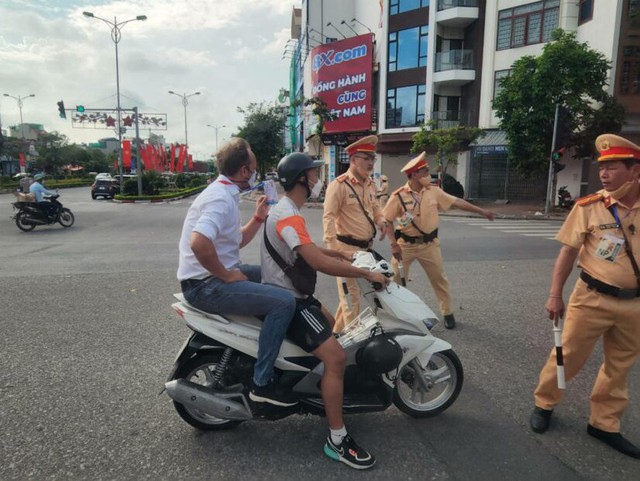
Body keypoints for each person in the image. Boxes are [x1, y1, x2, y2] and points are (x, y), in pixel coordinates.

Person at [261, 152, 389, 469]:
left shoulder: (287, 211)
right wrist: (365, 274)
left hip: (295, 296)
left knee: (335, 328)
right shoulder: (287, 214)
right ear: (301, 179)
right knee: (336, 357)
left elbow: (307, 248)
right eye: (314, 174)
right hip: (289, 301)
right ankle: (337, 438)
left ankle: (320, 393)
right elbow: (316, 263)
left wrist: (339, 253)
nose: (319, 180)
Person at [529, 133, 640, 459]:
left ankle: (604, 424)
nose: (604, 173)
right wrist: (554, 295)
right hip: (591, 297)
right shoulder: (589, 208)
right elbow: (567, 255)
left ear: (634, 171)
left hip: (634, 304)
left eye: (613, 167)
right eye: (602, 167)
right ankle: (544, 404)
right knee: (567, 356)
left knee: (619, 367)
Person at [177, 138, 297, 407]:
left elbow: (235, 242)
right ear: (244, 172)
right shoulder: (219, 198)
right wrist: (226, 275)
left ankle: (270, 345)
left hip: (212, 277)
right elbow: (199, 242)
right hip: (205, 285)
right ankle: (263, 382)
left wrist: (257, 218)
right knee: (284, 301)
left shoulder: (224, 193)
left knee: (277, 276)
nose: (255, 175)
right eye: (254, 168)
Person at [382, 153, 495, 329]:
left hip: (429, 244)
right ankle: (398, 315)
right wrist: (393, 244)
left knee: (439, 279)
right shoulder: (398, 196)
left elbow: (456, 202)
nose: (428, 173)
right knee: (394, 278)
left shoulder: (434, 191)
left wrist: (481, 211)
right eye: (424, 170)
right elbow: (387, 220)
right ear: (414, 175)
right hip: (405, 245)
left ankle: (447, 312)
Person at [323, 135, 387, 332]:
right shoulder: (339, 186)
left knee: (351, 296)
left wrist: (381, 220)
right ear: (352, 159)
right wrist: (335, 254)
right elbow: (328, 219)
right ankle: (350, 349)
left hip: (366, 250)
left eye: (372, 158)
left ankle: (335, 335)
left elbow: (375, 207)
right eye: (365, 158)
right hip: (345, 250)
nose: (370, 163)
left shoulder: (370, 184)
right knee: (352, 297)